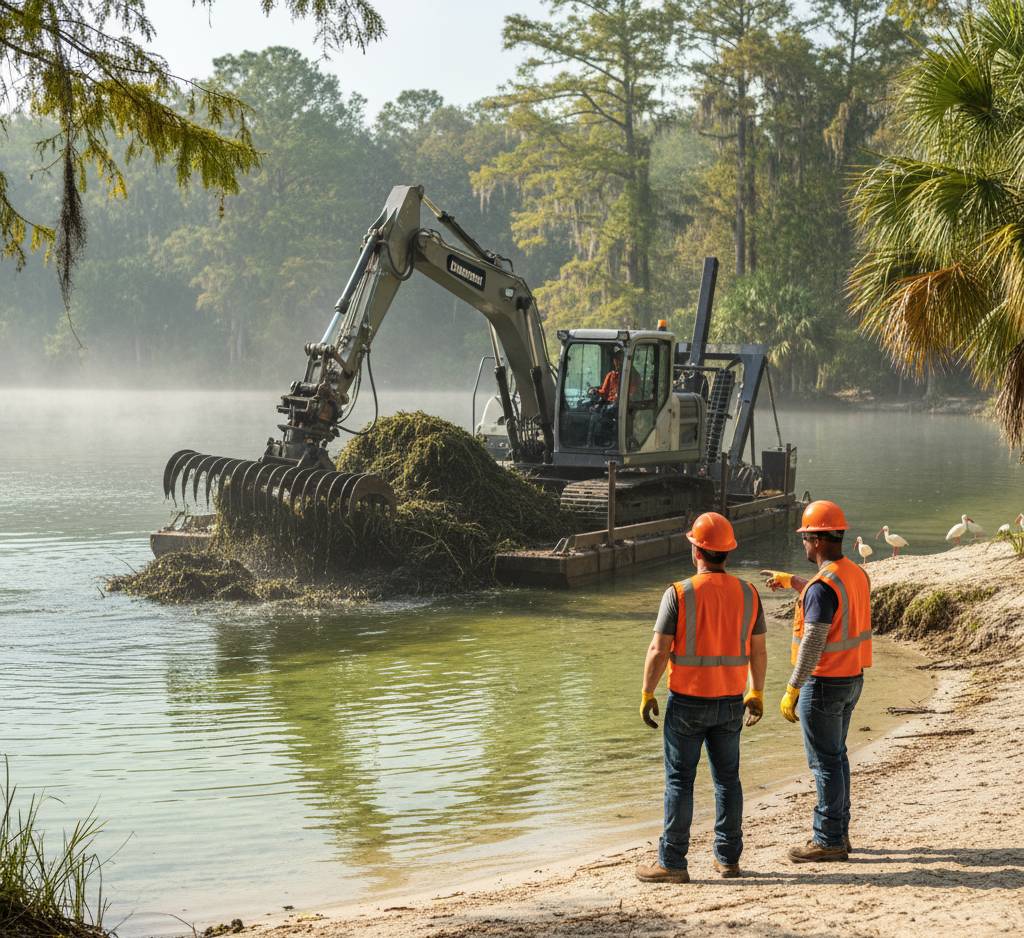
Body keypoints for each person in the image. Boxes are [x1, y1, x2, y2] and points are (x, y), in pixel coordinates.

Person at [636, 512, 768, 883]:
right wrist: (756, 691)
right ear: (727, 552)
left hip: (687, 703)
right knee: (728, 781)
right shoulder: (748, 592)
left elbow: (658, 650)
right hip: (730, 701)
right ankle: (728, 860)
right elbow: (758, 651)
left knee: (680, 781)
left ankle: (673, 863)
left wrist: (647, 692)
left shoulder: (678, 593)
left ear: (697, 549)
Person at [761, 499, 872, 863]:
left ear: (819, 540)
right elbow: (828, 597)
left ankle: (827, 840)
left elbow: (814, 637)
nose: (804, 544)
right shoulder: (854, 573)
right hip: (851, 679)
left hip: (823, 684)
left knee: (824, 763)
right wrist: (794, 582)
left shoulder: (822, 587)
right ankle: (839, 832)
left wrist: (793, 686)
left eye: (806, 537)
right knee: (836, 757)